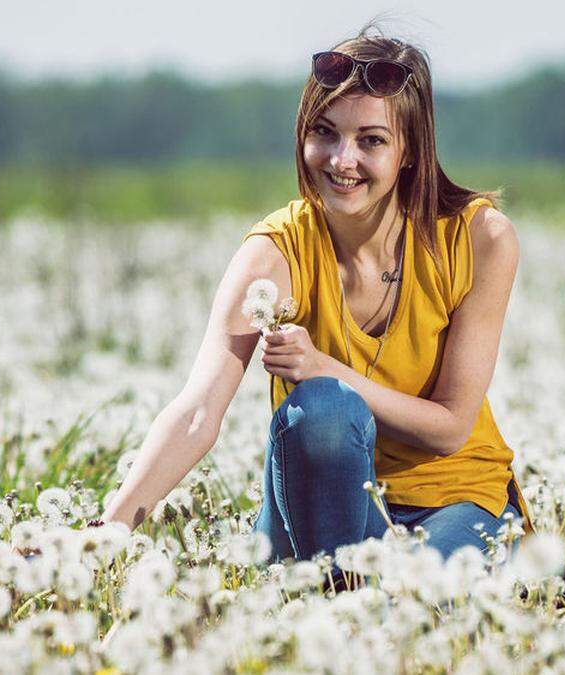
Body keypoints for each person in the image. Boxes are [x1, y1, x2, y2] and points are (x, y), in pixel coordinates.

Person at [99, 25, 536, 570]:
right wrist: (105, 533)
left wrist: (322, 365)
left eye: (371, 140)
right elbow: (196, 413)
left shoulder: (479, 239)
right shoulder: (274, 253)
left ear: (409, 152)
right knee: (322, 412)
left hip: (451, 497)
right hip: (316, 508)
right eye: (324, 133)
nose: (341, 159)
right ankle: (347, 588)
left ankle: (493, 574)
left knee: (417, 602)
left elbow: (450, 427)